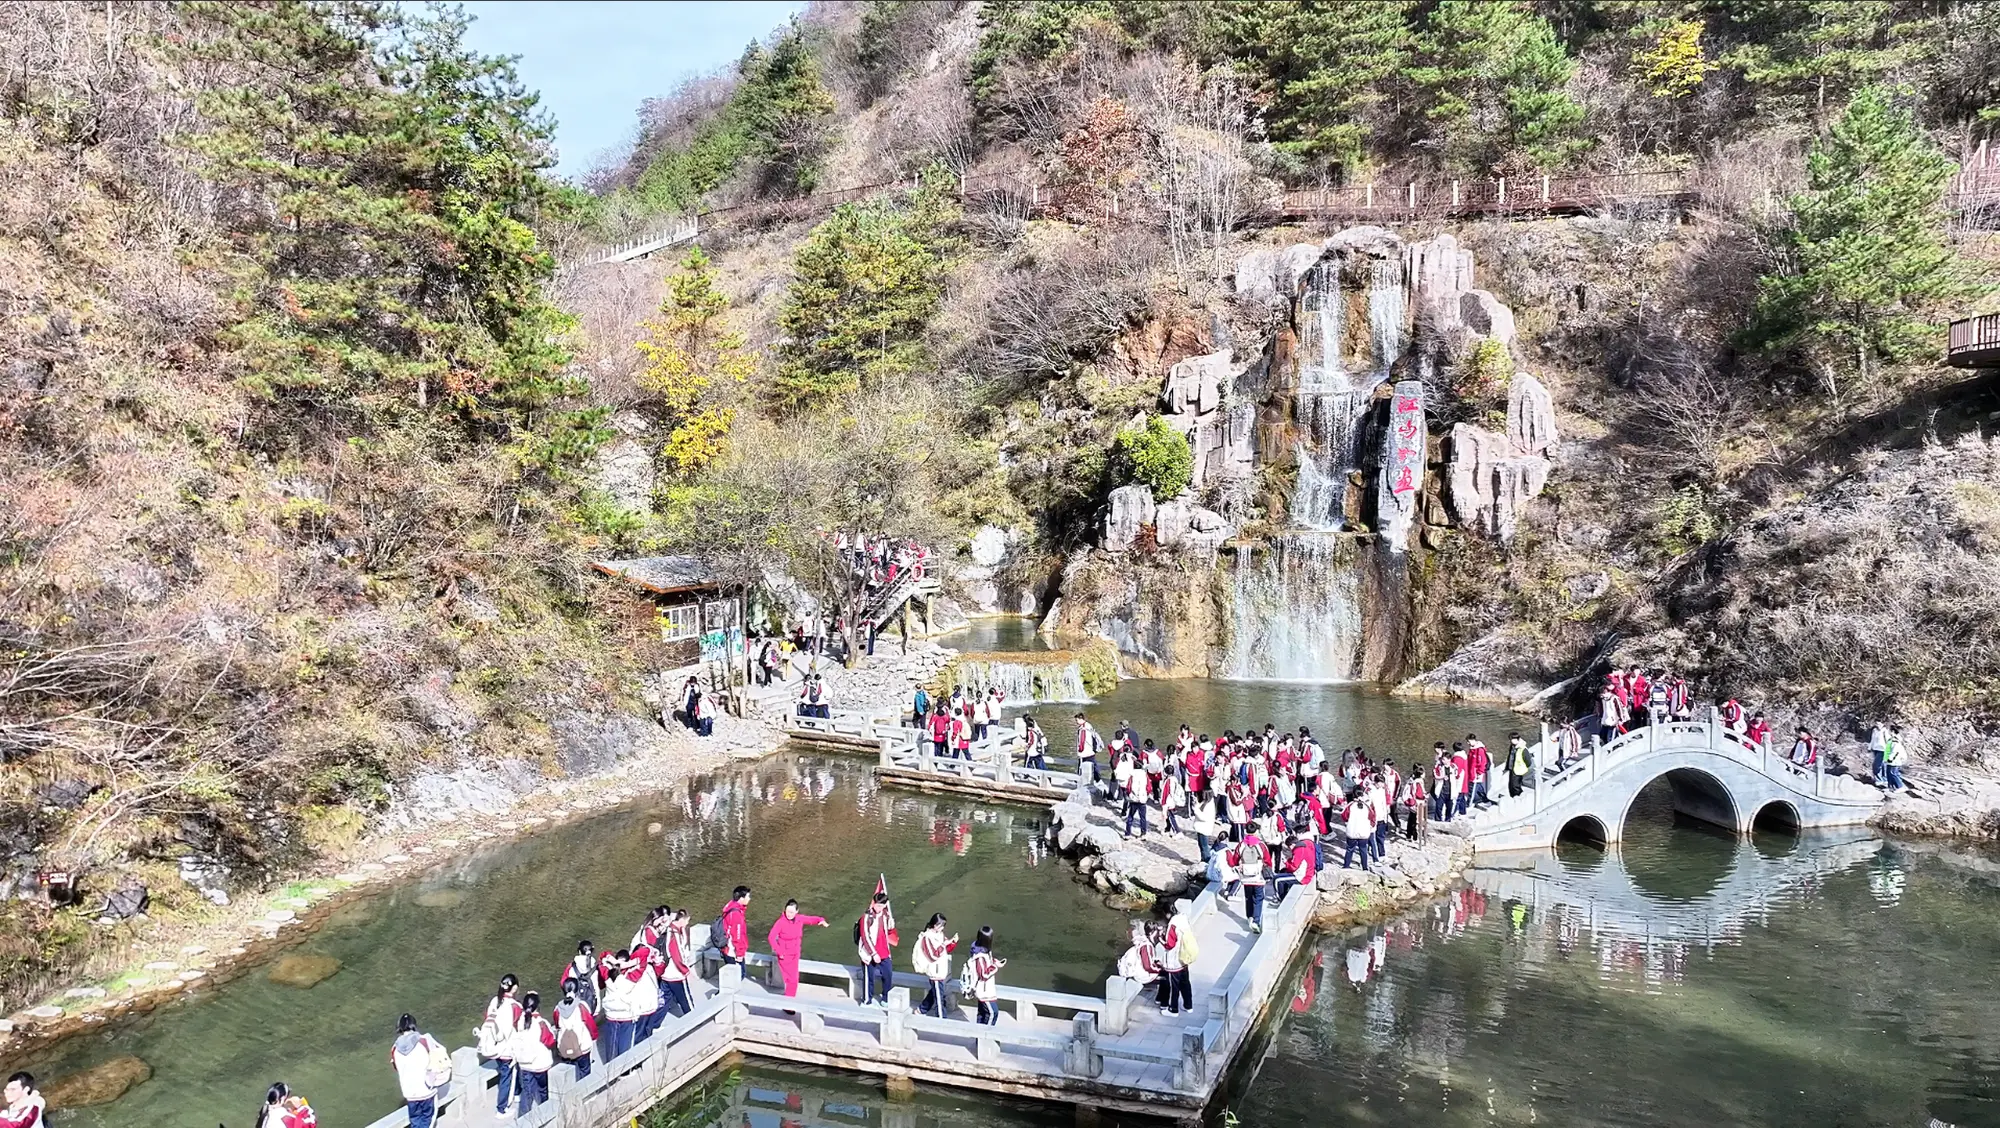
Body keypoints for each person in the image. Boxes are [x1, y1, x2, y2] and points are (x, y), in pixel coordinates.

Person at [391, 1014, 449, 1128]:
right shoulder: (424, 1041)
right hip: (427, 1091)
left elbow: (396, 1067)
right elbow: (439, 1058)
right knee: (428, 1121)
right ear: (414, 1025)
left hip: (409, 1094)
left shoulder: (395, 1048)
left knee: (415, 1122)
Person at [767, 898, 830, 998]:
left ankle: (789, 1000)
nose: (789, 914)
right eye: (787, 911)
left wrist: (820, 920)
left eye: (792, 912)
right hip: (785, 955)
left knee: (794, 979)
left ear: (797, 911)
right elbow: (771, 937)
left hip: (795, 953)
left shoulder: (799, 919)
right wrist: (779, 951)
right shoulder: (780, 922)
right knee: (792, 979)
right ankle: (789, 1004)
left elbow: (810, 920)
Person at [479, 974, 523, 1116]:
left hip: (494, 1045)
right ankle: (502, 1108)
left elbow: (487, 1018)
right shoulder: (515, 1006)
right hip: (507, 1048)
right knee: (507, 1076)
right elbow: (520, 1026)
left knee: (509, 1072)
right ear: (514, 987)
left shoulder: (494, 1001)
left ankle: (516, 1093)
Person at [511, 992, 556, 1115]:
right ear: (537, 1006)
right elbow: (550, 1041)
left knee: (527, 1093)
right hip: (540, 1064)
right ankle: (546, 1114)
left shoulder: (520, 1021)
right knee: (543, 1091)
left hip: (524, 1064)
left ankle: (523, 1119)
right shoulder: (541, 1023)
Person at [913, 913, 959, 1017]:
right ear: (935, 925)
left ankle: (921, 1010)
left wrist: (953, 942)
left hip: (941, 970)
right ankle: (941, 1019)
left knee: (935, 993)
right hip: (935, 971)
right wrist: (944, 945)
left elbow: (946, 950)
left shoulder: (940, 935)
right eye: (942, 926)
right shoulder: (927, 938)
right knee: (939, 998)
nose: (943, 928)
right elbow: (932, 956)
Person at [857, 891, 899, 1006]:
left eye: (882, 905)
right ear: (874, 903)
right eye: (878, 905)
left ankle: (886, 998)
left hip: (884, 951)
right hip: (869, 953)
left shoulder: (886, 915)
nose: (879, 908)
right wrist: (873, 953)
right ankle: (866, 1000)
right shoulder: (866, 917)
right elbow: (865, 936)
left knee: (888, 975)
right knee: (869, 977)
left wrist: (891, 925)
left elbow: (889, 932)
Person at [553, 982, 600, 1080]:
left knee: (570, 1074)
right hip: (582, 1046)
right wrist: (594, 1036)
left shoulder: (557, 1008)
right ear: (577, 990)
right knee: (584, 1070)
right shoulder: (581, 1006)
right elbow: (590, 1024)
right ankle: (586, 1092)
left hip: (565, 1047)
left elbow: (557, 1025)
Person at [598, 951, 641, 1059]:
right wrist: (632, 962)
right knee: (625, 1043)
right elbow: (643, 959)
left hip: (612, 1015)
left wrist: (611, 960)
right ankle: (625, 1070)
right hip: (627, 1015)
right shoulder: (632, 978)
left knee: (612, 1042)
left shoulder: (607, 976)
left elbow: (602, 958)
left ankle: (611, 1067)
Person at [964, 927, 1006, 1026]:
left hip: (985, 989)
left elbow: (987, 963)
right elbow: (984, 974)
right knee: (992, 1012)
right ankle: (986, 1037)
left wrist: (995, 962)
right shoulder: (980, 956)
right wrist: (995, 967)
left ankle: (979, 1037)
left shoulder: (984, 951)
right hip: (984, 991)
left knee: (982, 1014)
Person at [1153, 918, 1193, 1017]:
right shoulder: (1184, 921)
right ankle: (1188, 1006)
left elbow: (1169, 945)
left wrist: (1160, 939)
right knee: (1185, 984)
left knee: (1173, 986)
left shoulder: (1173, 924)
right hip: (1183, 958)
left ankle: (1173, 1009)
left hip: (1174, 963)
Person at [660, 909, 695, 1017]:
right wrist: (685, 971)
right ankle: (693, 1018)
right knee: (685, 999)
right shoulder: (674, 934)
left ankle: (652, 1024)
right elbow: (677, 955)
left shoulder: (669, 930)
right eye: (687, 921)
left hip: (665, 973)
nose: (687, 923)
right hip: (675, 973)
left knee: (663, 1001)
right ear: (682, 919)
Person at [557, 940, 599, 1013]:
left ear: (579, 951)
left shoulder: (572, 967)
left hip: (575, 1006)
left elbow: (563, 983)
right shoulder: (596, 967)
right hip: (593, 1005)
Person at [719, 886, 752, 970]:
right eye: (748, 896)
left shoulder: (731, 906)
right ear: (741, 898)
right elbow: (737, 936)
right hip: (732, 952)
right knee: (738, 975)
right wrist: (739, 953)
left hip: (727, 949)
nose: (749, 899)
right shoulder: (736, 914)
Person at [1341, 794, 1372, 873]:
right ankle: (1365, 868)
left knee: (1350, 849)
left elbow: (1344, 816)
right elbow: (1372, 817)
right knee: (1363, 849)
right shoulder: (1367, 806)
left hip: (1352, 830)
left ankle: (1346, 866)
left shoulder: (1350, 805)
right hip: (1363, 831)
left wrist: (1347, 822)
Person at [1075, 713, 1103, 786]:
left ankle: (1083, 779)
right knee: (1093, 765)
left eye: (1077, 720)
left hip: (1085, 752)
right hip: (1090, 751)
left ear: (1081, 719)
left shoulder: (1083, 729)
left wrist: (1080, 751)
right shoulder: (1089, 726)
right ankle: (1097, 779)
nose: (1076, 721)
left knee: (1085, 766)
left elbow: (1082, 741)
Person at [1883, 725, 1908, 791]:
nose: (1888, 731)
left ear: (1892, 731)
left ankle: (1900, 787)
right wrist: (1885, 758)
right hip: (1889, 760)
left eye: (1889, 730)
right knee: (1889, 773)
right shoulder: (1891, 739)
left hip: (1895, 760)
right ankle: (1890, 787)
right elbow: (1887, 750)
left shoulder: (1896, 741)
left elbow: (1895, 751)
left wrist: (1890, 758)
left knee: (1893, 773)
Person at [1507, 732, 1530, 799]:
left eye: (1513, 739)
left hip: (1518, 769)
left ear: (1518, 739)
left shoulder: (1523, 749)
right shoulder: (1512, 747)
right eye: (1511, 739)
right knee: (1511, 785)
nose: (1511, 741)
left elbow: (1528, 761)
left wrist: (1522, 766)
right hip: (1512, 768)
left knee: (1515, 785)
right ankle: (1513, 797)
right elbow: (1510, 757)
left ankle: (1519, 798)